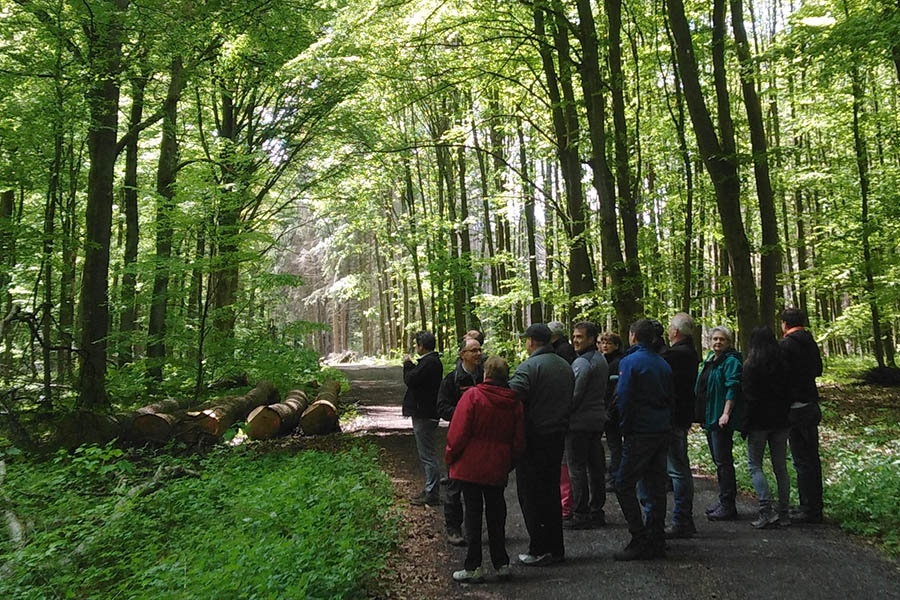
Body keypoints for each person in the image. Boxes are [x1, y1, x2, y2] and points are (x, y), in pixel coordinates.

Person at [446, 356, 525, 583]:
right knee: (497, 513)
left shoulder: (472, 396)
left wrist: (451, 456)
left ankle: (473, 566)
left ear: (485, 374)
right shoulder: (514, 402)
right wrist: (509, 461)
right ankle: (501, 564)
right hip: (497, 464)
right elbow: (519, 440)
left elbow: (458, 432)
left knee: (473, 514)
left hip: (470, 465)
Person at [509, 323, 574, 566]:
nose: (525, 344)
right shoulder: (565, 366)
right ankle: (556, 547)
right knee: (550, 492)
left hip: (534, 438)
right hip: (557, 436)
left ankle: (539, 547)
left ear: (532, 341)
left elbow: (511, 397)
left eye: (526, 340)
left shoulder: (529, 367)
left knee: (531, 494)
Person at [613, 319, 673, 561]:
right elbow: (671, 397)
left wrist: (625, 427)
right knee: (656, 484)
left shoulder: (630, 362)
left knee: (623, 483)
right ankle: (656, 537)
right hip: (661, 430)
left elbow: (624, 398)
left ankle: (639, 537)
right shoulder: (662, 363)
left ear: (633, 336)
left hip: (641, 431)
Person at [437, 337, 485, 545]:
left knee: (481, 485)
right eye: (473, 350)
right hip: (458, 438)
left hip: (483, 439)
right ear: (462, 354)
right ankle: (453, 529)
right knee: (454, 485)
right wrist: (464, 413)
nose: (478, 354)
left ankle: (476, 530)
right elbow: (441, 408)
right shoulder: (451, 380)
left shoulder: (486, 377)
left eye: (479, 350)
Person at [743, 326, 791, 529]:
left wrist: (745, 424)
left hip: (759, 423)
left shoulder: (750, 365)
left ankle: (766, 510)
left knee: (755, 465)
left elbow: (749, 399)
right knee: (780, 467)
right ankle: (784, 512)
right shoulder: (784, 364)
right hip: (781, 421)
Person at [780, 308, 824, 524]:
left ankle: (809, 509)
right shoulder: (810, 341)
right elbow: (818, 369)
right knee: (812, 459)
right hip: (811, 404)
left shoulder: (786, 345)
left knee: (802, 460)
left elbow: (782, 378)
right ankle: (814, 506)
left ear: (784, 324)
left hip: (796, 408)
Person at [564, 321, 609, 529]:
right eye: (574, 336)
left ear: (591, 339)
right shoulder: (600, 359)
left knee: (578, 468)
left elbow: (574, 394)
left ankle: (581, 513)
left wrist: (562, 413)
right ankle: (596, 510)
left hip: (579, 423)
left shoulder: (583, 363)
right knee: (595, 467)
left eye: (580, 337)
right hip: (596, 420)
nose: (575, 340)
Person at [697, 326, 743, 521]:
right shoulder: (710, 359)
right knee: (718, 461)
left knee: (724, 462)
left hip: (720, 418)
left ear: (728, 342)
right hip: (709, 417)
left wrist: (726, 413)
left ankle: (728, 504)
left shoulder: (731, 362)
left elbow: (732, 388)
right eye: (714, 339)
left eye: (721, 339)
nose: (717, 342)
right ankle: (723, 500)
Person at [661, 313, 700, 538]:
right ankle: (683, 518)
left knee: (678, 470)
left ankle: (682, 519)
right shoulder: (690, 353)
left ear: (675, 332)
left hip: (674, 417)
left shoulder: (676, 355)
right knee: (679, 468)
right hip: (682, 416)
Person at [402, 331, 443, 506]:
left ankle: (432, 492)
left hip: (425, 414)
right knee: (427, 454)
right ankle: (430, 488)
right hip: (426, 413)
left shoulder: (429, 363)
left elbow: (410, 379)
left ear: (421, 346)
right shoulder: (430, 362)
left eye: (417, 345)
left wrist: (407, 364)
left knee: (428, 455)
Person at [599, 332, 624, 491]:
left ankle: (616, 477)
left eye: (609, 343)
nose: (605, 346)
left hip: (615, 411)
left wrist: (609, 411)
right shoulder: (603, 362)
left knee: (616, 446)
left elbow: (616, 390)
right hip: (606, 408)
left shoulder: (617, 363)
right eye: (602, 342)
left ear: (616, 345)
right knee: (614, 445)